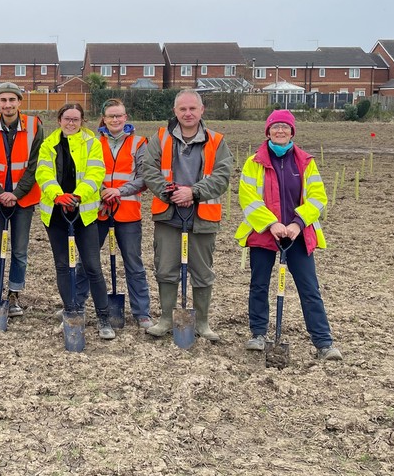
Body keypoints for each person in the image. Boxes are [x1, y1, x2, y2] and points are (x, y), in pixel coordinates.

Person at [235, 109, 342, 360]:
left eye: (285, 127)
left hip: (298, 235)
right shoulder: (254, 163)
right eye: (275, 126)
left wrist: (297, 223)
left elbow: (318, 197)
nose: (280, 131)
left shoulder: (305, 161)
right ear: (268, 131)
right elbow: (248, 198)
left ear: (292, 131)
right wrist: (272, 224)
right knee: (259, 285)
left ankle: (323, 342)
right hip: (264, 233)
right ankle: (258, 334)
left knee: (309, 288)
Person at [141, 89, 233, 341]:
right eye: (182, 109)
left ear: (202, 110)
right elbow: (148, 168)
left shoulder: (216, 140)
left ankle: (202, 322)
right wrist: (168, 192)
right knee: (165, 268)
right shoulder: (160, 138)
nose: (188, 113)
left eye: (193, 108)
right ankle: (166, 319)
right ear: (175, 112)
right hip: (169, 215)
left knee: (202, 272)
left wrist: (193, 193)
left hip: (202, 217)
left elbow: (223, 176)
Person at [36, 103, 116, 341]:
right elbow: (43, 173)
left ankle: (103, 318)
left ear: (82, 121)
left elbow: (95, 173)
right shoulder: (48, 144)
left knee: (92, 266)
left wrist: (78, 195)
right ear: (59, 119)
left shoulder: (92, 144)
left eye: (76, 119)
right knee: (63, 266)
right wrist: (58, 195)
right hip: (56, 214)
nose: (71, 123)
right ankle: (71, 311)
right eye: (67, 119)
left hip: (84, 214)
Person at [0, 82, 43, 319]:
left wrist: (16, 193)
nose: (8, 105)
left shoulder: (35, 126)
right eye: (3, 100)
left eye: (12, 100)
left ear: (19, 102)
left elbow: (36, 164)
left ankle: (14, 295)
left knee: (19, 251)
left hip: (23, 201)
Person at [91, 98, 153, 330]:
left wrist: (119, 191)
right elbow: (87, 174)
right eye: (111, 116)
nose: (115, 120)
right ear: (104, 119)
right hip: (98, 211)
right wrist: (102, 192)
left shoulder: (139, 143)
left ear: (126, 117)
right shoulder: (94, 142)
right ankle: (74, 304)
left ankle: (142, 312)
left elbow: (144, 177)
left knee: (134, 264)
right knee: (88, 261)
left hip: (128, 212)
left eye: (119, 115)